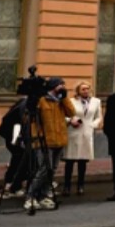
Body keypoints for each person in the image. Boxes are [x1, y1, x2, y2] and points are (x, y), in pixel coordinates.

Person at [24, 77, 74, 212]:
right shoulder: (42, 100)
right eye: (61, 85)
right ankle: (30, 196)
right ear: (53, 86)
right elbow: (31, 118)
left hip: (59, 139)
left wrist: (64, 98)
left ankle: (44, 195)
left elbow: (72, 112)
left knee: (52, 169)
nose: (63, 87)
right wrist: (36, 137)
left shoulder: (60, 101)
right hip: (44, 141)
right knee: (44, 169)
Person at [63, 82, 101, 196]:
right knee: (69, 162)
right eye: (83, 89)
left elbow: (98, 117)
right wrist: (70, 121)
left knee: (82, 162)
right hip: (73, 132)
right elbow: (63, 115)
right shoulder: (71, 101)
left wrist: (93, 125)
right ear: (78, 90)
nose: (85, 91)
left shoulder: (96, 101)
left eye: (87, 89)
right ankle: (67, 186)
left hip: (86, 133)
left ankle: (80, 185)